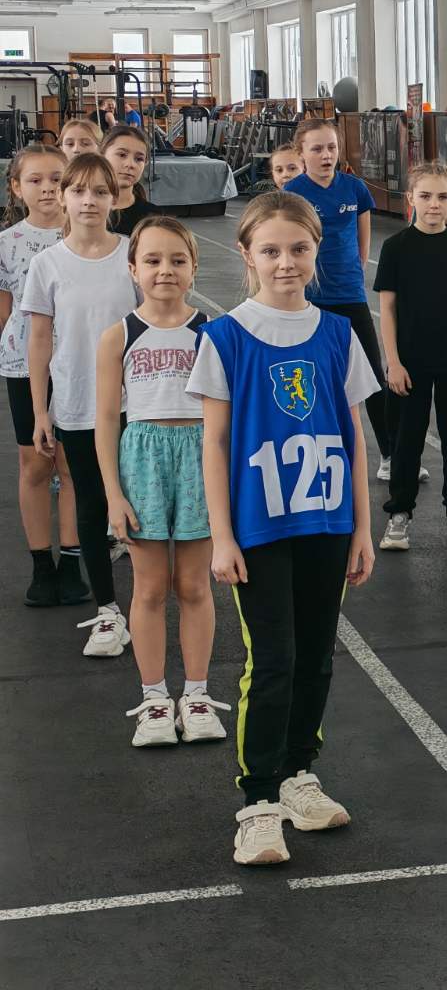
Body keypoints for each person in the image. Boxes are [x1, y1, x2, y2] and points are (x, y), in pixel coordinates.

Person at [187, 191, 378, 865]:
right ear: (247, 254)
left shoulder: (338, 334)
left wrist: (362, 527)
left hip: (327, 521)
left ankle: (299, 773)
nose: (286, 262)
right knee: (273, 661)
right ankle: (259, 801)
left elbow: (353, 437)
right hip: (259, 527)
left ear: (317, 250)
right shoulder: (225, 338)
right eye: (270, 250)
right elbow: (214, 445)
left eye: (299, 248)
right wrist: (221, 535)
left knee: (317, 655)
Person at [95, 217, 226, 747]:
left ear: (194, 267)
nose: (165, 270)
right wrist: (113, 494)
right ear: (133, 269)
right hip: (143, 460)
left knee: (193, 586)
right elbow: (107, 420)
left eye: (177, 260)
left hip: (199, 458)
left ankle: (196, 695)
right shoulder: (118, 336)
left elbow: (227, 417)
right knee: (149, 588)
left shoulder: (213, 333)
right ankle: (154, 699)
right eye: (152, 260)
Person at [24, 153, 140, 656]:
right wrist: (41, 410)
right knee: (92, 506)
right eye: (79, 191)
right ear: (64, 197)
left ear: (115, 199)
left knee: (145, 504)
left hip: (137, 405)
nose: (89, 200)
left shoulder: (134, 255)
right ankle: (109, 611)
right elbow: (39, 340)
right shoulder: (47, 264)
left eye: (100, 191)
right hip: (76, 404)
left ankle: (154, 599)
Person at [282, 118, 401, 479]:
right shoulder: (293, 193)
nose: (326, 155)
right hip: (310, 298)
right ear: (301, 154)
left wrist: (356, 268)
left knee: (372, 376)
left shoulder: (354, 189)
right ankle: (317, 453)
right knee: (314, 379)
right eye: (317, 148)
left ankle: (390, 454)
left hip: (349, 294)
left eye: (331, 147)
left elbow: (363, 237)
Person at [375, 161, 447, 554]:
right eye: (425, 196)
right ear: (411, 199)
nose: (434, 204)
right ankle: (399, 514)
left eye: (442, 196)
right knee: (406, 443)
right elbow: (387, 310)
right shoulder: (395, 248)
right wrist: (393, 362)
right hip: (410, 365)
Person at [1, 145, 79, 606]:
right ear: (16, 187)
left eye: (57, 179)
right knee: (35, 463)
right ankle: (40, 564)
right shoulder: (7, 243)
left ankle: (71, 560)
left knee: (70, 464)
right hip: (23, 365)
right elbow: (5, 311)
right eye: (35, 180)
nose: (48, 188)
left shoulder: (84, 236)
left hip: (76, 364)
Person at [101, 124, 160, 237]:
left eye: (139, 159)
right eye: (122, 155)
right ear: (102, 156)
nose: (130, 164)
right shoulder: (85, 210)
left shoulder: (154, 217)